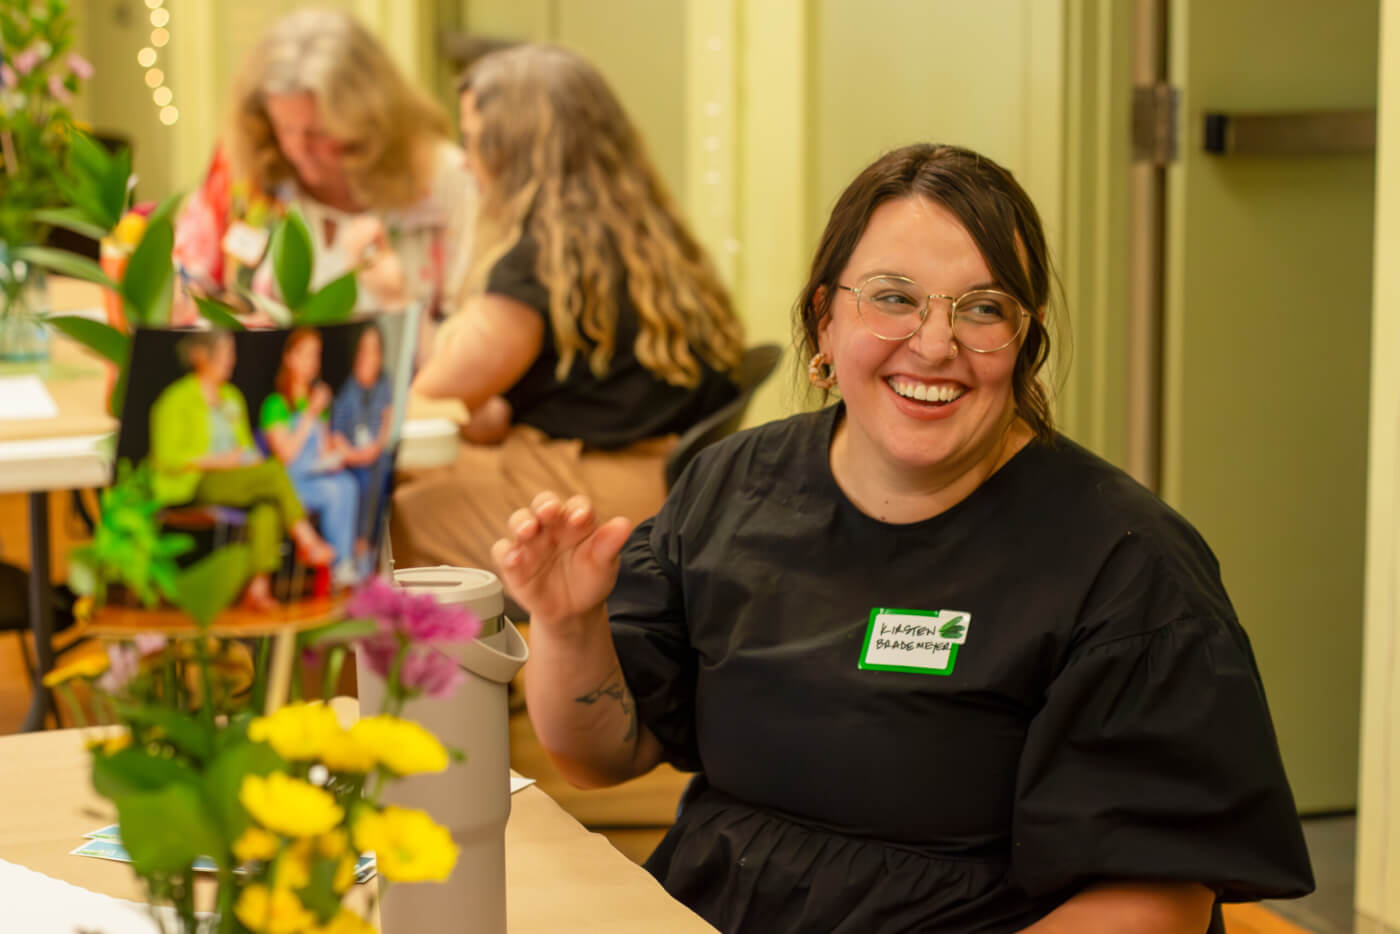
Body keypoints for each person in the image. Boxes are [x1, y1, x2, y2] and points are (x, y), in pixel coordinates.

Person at [491, 144, 1315, 933]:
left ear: (1022, 342)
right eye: (893, 297)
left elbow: (1156, 906)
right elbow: (605, 756)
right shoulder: (732, 487)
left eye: (983, 309)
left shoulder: (1129, 565)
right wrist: (570, 627)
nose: (933, 344)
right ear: (825, 319)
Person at [391, 44, 745, 590]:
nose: (464, 161)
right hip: (650, 479)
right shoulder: (637, 231)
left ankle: (413, 677)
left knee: (385, 520)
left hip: (596, 497)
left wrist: (393, 297)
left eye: (474, 142)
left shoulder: (541, 262)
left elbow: (431, 398)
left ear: (515, 152)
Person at [172, 7, 475, 335]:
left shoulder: (445, 180)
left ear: (368, 120)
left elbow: (472, 348)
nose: (299, 149)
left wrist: (400, 301)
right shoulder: (253, 173)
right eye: (285, 127)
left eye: (318, 133)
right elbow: (188, 282)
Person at [149, 330, 334, 611]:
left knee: (268, 500)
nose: (232, 360)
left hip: (233, 479)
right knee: (273, 474)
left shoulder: (232, 397)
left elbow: (245, 447)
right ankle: (306, 539)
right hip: (191, 483)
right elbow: (168, 459)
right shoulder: (175, 400)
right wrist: (218, 460)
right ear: (201, 355)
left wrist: (250, 459)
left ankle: (257, 589)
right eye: (226, 352)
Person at [259, 327, 359, 588]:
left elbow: (322, 452)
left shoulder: (318, 405)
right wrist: (311, 413)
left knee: (347, 483)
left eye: (316, 355)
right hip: (289, 483)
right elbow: (287, 455)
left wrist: (337, 454)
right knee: (336, 490)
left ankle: (343, 563)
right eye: (305, 354)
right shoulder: (275, 405)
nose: (311, 362)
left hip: (315, 478)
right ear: (289, 358)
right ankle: (336, 566)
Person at [331, 322, 394, 576]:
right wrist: (356, 456)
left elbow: (386, 423)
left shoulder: (384, 384)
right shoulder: (345, 390)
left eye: (375, 350)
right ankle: (361, 547)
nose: (370, 357)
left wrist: (373, 450)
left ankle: (369, 546)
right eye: (364, 350)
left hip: (373, 456)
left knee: (383, 466)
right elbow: (336, 435)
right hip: (349, 457)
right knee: (363, 478)